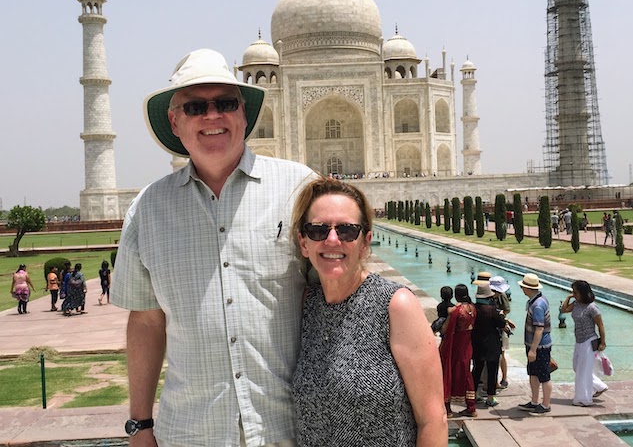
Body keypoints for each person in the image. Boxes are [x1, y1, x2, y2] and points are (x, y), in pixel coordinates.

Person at [111, 48, 314, 447]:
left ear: (244, 114)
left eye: (225, 103)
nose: (212, 115)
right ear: (175, 121)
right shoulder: (148, 209)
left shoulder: (298, 189)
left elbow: (343, 297)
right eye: (195, 107)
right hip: (190, 431)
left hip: (290, 430)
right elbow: (147, 323)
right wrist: (139, 424)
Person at [290, 177, 447, 446]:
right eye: (317, 230)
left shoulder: (395, 305)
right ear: (304, 243)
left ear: (365, 242)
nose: (331, 240)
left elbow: (433, 419)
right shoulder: (309, 304)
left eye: (347, 230)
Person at [561, 280, 608, 406]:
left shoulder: (592, 307)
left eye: (575, 292)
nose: (574, 294)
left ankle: (584, 399)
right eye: (573, 292)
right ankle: (600, 386)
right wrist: (568, 297)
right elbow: (564, 310)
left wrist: (602, 342)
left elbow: (600, 326)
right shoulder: (576, 304)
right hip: (579, 340)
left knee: (584, 370)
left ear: (583, 293)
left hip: (589, 340)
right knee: (577, 367)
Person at [440, 284, 477, 418]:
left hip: (455, 347)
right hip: (467, 346)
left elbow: (446, 330)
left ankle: (448, 408)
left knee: (449, 373)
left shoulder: (457, 311)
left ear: (456, 295)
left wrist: (449, 315)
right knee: (467, 375)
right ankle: (471, 407)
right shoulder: (473, 308)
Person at [517, 273, 553, 414]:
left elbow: (539, 328)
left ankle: (545, 404)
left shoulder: (537, 305)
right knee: (533, 373)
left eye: (523, 287)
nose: (522, 290)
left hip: (540, 346)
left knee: (544, 375)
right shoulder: (538, 300)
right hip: (534, 344)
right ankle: (534, 401)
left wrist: (533, 350)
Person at [471, 282, 507, 407]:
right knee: (492, 370)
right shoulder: (491, 310)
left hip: (477, 342)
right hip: (491, 343)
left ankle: (473, 394)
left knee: (476, 369)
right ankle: (490, 397)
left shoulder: (473, 308)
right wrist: (501, 315)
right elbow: (501, 323)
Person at [489, 276, 516, 389]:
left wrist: (502, 317)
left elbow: (506, 310)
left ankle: (504, 378)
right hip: (493, 326)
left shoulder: (501, 296)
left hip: (500, 326)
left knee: (502, 353)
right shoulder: (488, 296)